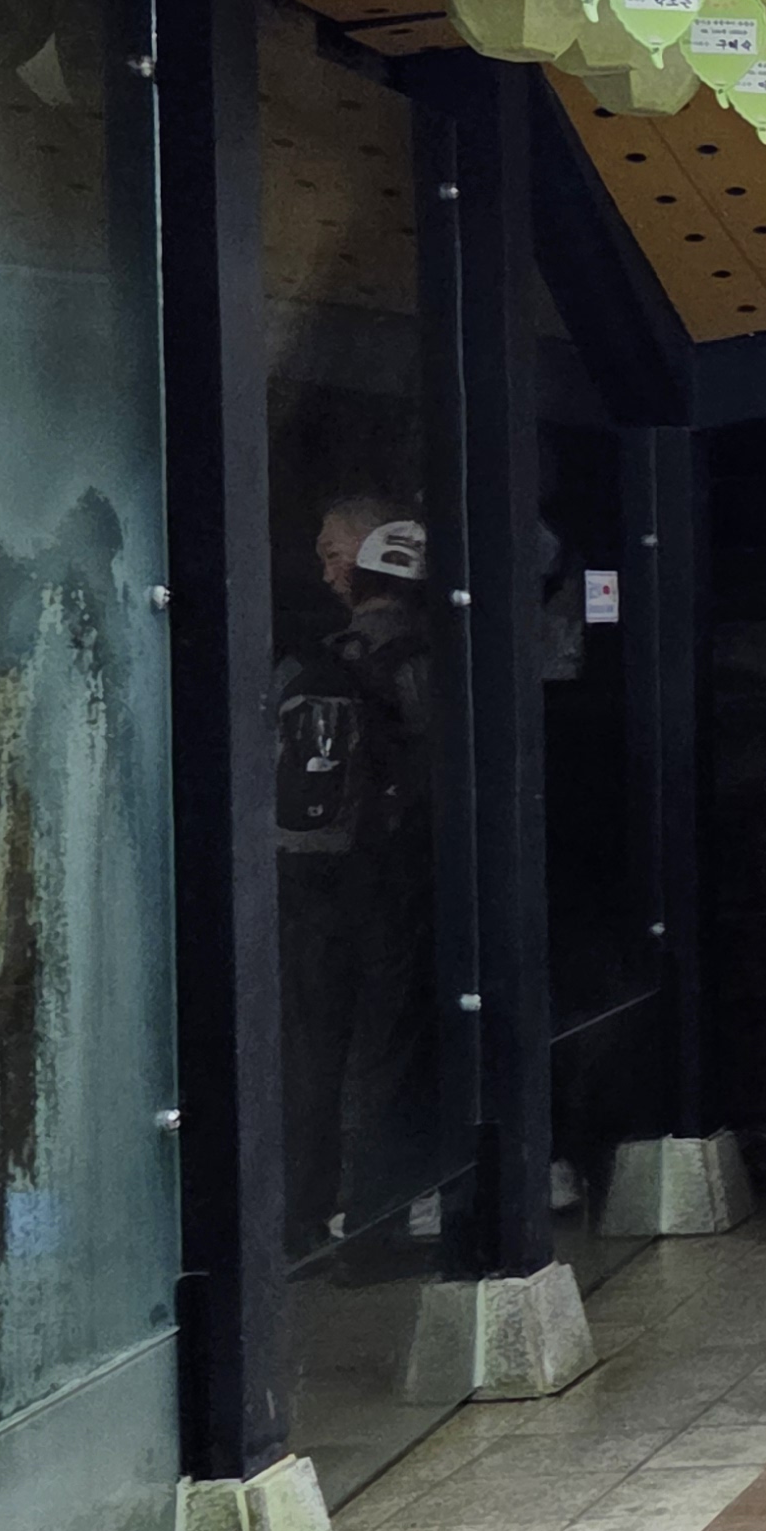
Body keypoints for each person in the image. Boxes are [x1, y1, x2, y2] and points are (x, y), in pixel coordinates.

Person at [274, 501, 437, 1254]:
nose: (325, 571)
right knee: (389, 1049)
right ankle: (377, 1223)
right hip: (391, 881)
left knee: (310, 1050)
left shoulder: (306, 663)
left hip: (306, 879)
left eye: (333, 554)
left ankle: (300, 1221)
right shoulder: (427, 662)